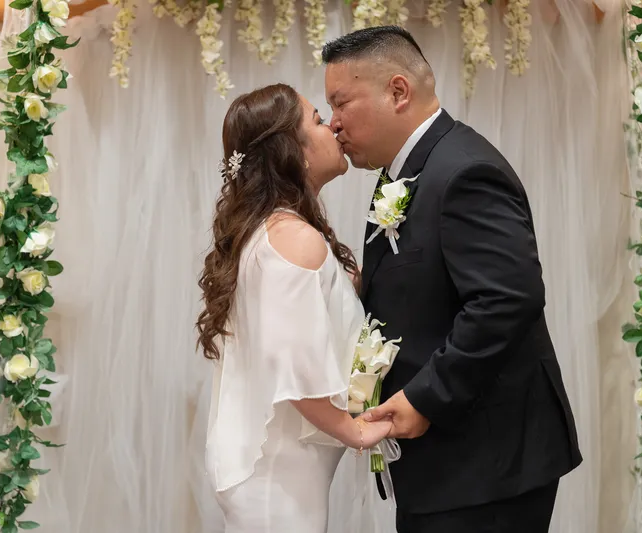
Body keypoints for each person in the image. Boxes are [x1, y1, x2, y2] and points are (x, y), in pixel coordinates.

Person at [322, 26, 583, 533]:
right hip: (450, 464)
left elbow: (507, 299)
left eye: (340, 103)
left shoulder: (464, 170)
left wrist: (425, 397)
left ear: (398, 92)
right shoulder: (404, 171)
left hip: (487, 466)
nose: (333, 124)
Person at [196, 83, 392, 533]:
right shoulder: (292, 237)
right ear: (293, 151)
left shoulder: (276, 230)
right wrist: (357, 431)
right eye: (319, 121)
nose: (334, 128)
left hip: (278, 470)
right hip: (278, 478)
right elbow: (294, 366)